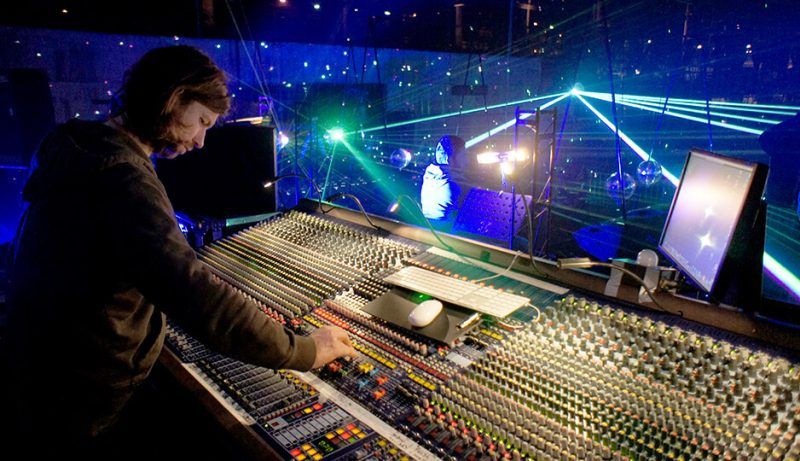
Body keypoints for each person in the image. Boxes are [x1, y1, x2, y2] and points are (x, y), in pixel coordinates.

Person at [1, 45, 355, 458]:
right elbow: (194, 293)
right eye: (201, 121)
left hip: (42, 371)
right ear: (173, 98)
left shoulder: (77, 147)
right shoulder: (123, 178)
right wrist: (305, 350)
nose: (202, 140)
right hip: (82, 394)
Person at [420, 135, 466, 225]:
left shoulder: (429, 176)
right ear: (451, 158)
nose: (466, 159)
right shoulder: (456, 184)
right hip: (446, 231)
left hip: (429, 227)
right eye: (463, 154)